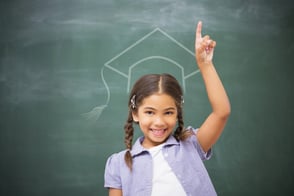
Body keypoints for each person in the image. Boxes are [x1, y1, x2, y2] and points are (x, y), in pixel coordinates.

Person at [104, 21, 231, 196]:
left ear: (177, 112)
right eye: (149, 112)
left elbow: (222, 112)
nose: (159, 122)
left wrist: (205, 65)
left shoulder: (190, 145)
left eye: (168, 112)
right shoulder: (119, 163)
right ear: (135, 114)